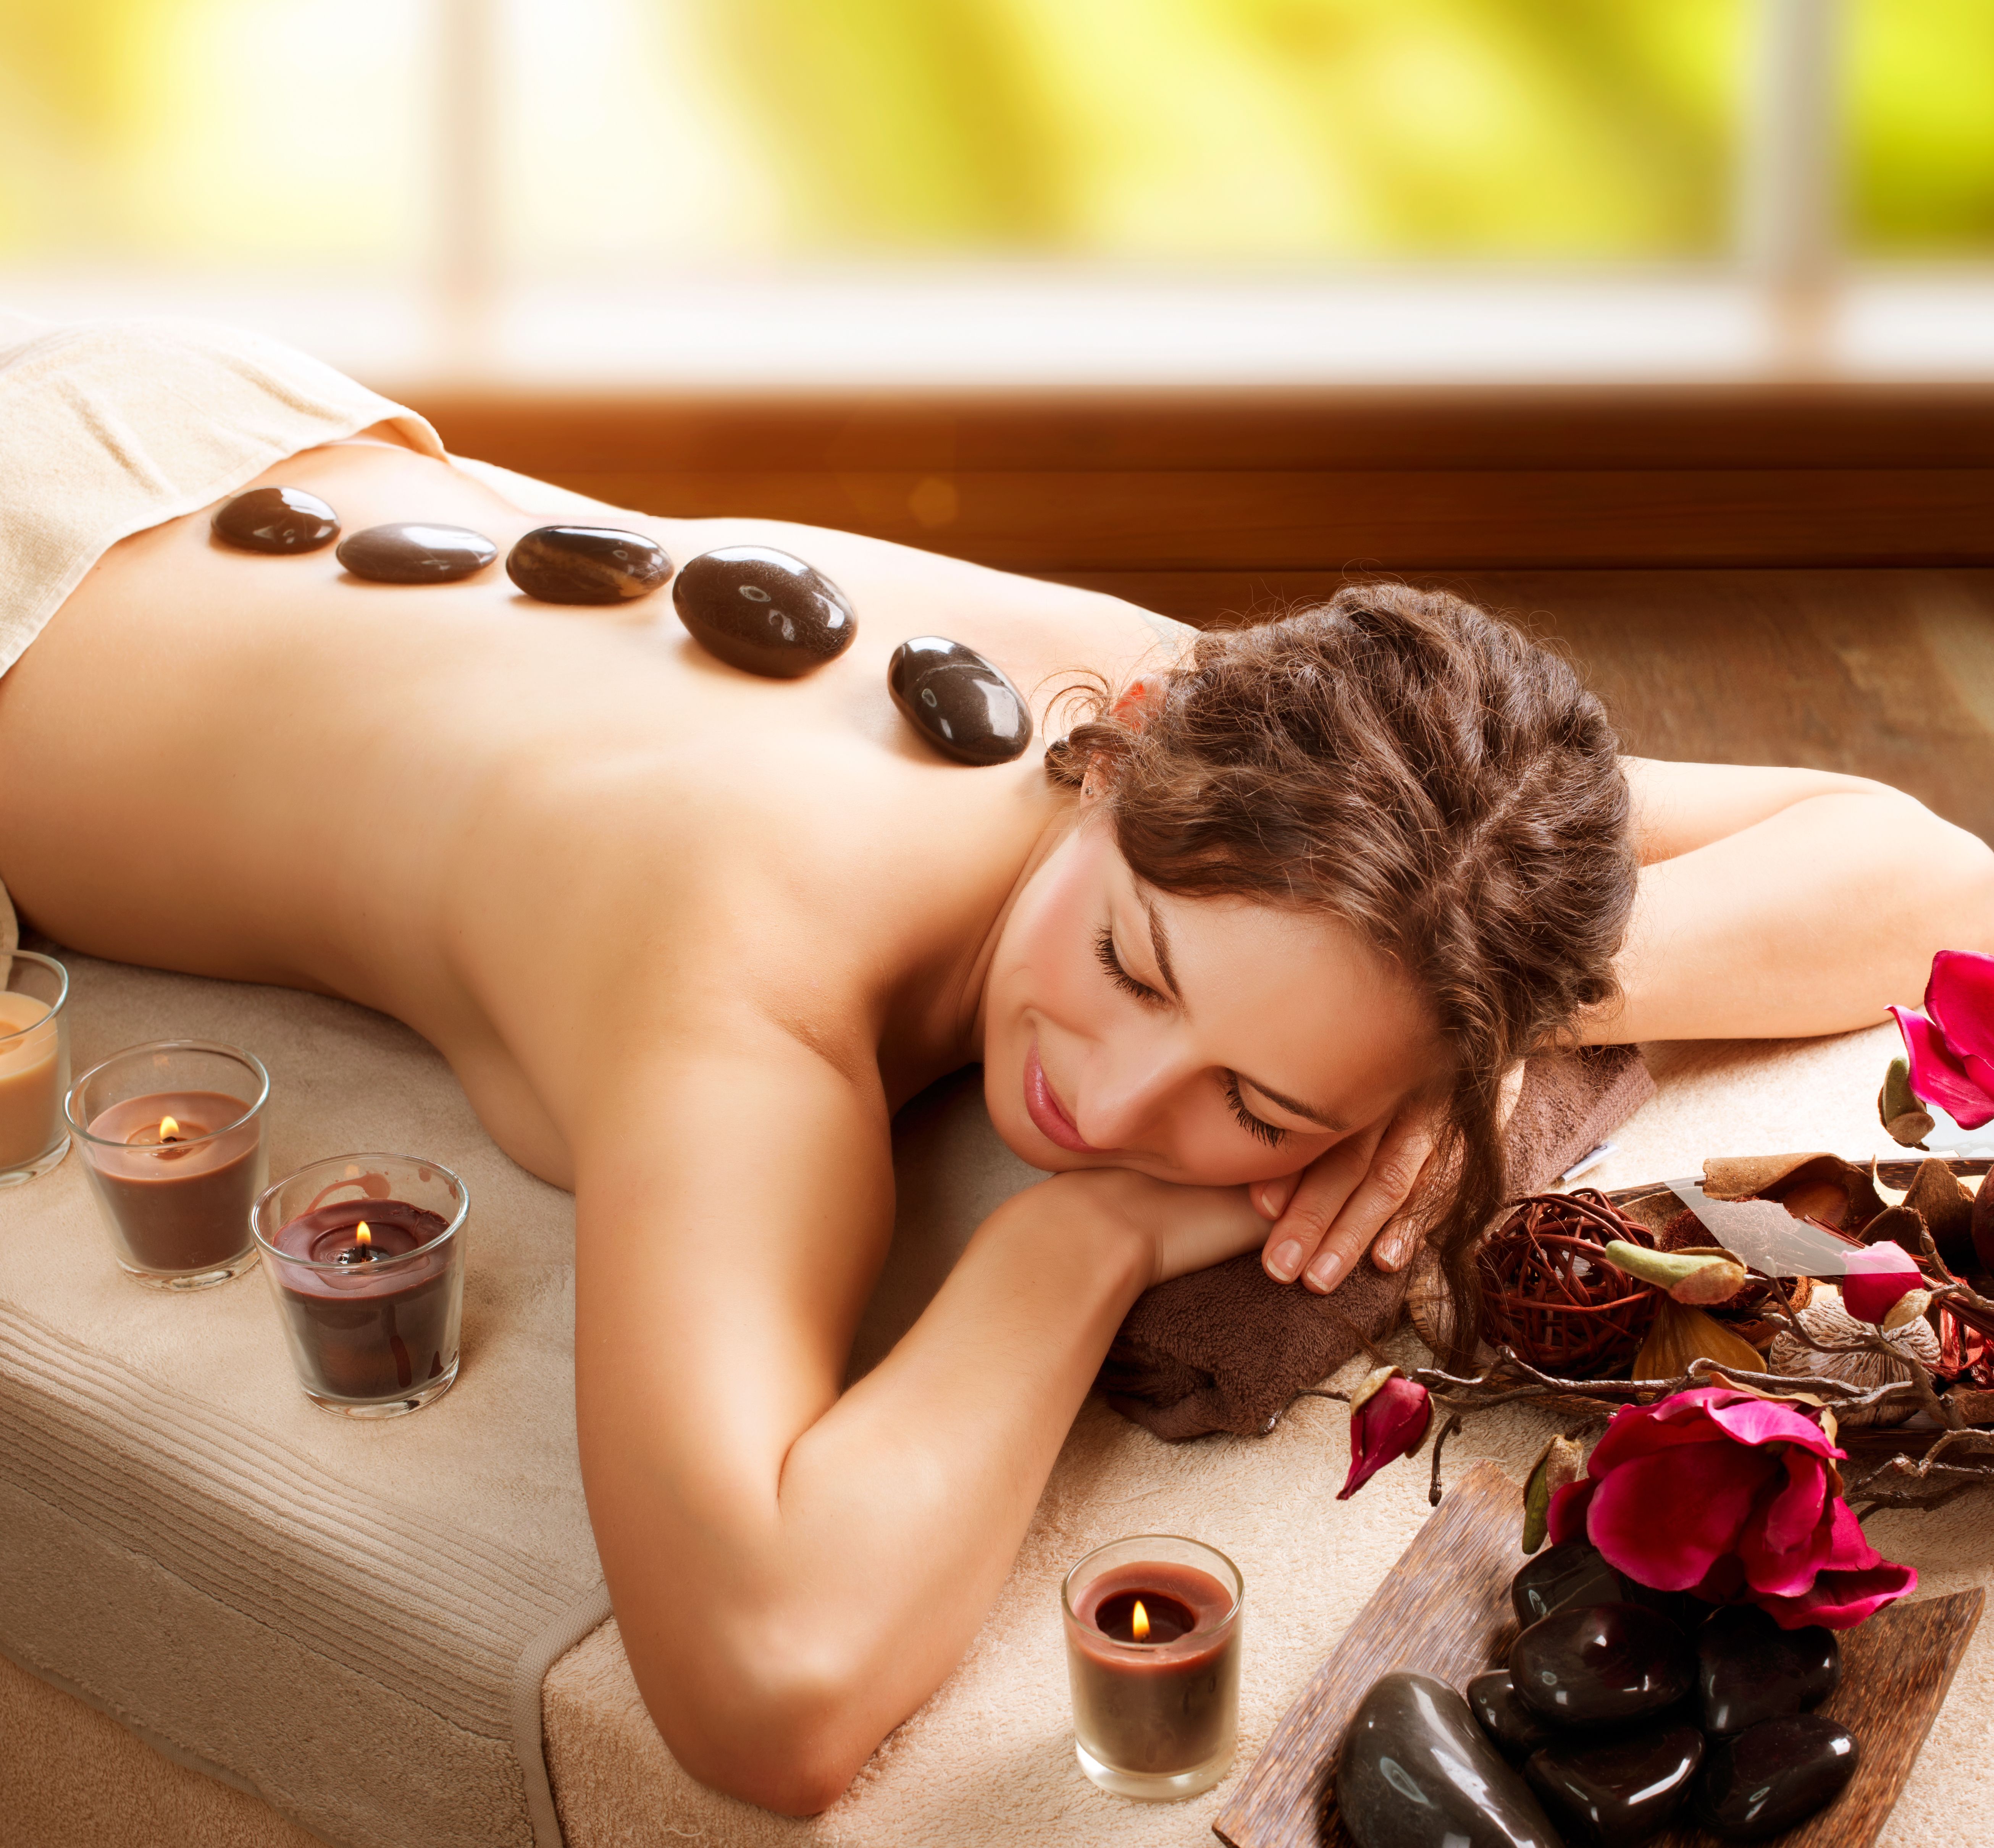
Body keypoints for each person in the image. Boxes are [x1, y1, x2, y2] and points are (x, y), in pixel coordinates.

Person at [2, 319, 1989, 1814]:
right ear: (1124, 738)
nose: (1109, 1105)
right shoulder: (744, 941)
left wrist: (1496, 1015)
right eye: (1131, 965)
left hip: (193, 416)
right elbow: (764, 1686)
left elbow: (1921, 872)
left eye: (1260, 1105)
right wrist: (1084, 1242)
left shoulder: (1281, 750)